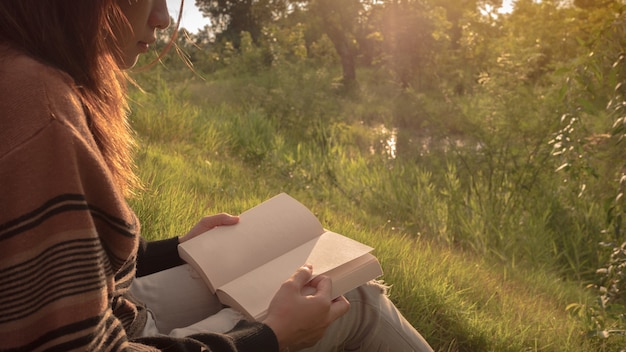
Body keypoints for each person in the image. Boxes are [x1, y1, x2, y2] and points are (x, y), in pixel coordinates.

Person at [0, 0, 435, 351]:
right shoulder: (44, 113)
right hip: (121, 335)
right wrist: (270, 337)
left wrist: (177, 248)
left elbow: (64, 265)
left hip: (116, 306)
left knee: (284, 279)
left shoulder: (20, 71)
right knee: (349, 296)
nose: (162, 17)